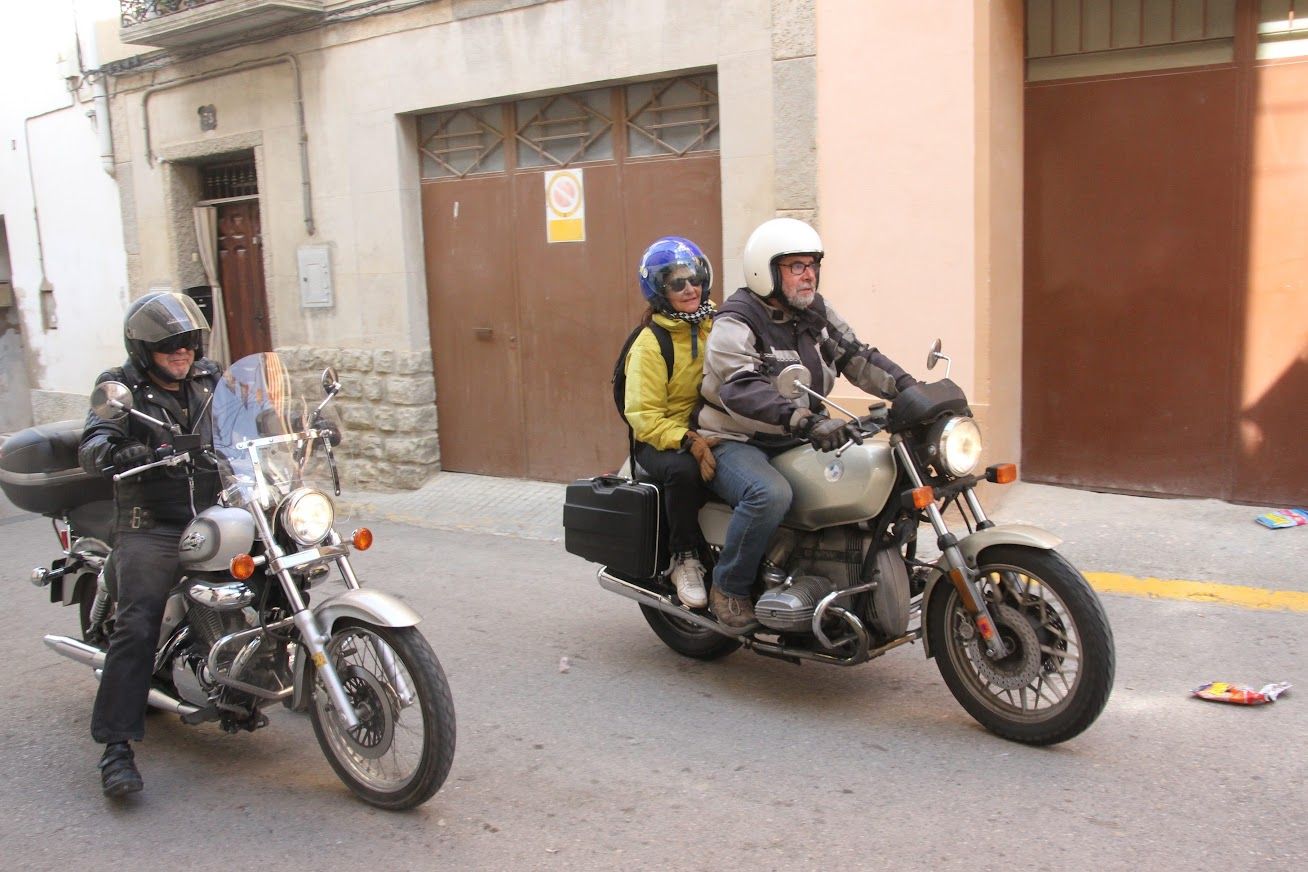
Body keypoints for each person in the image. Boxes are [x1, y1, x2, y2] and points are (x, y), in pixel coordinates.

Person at [696, 218, 917, 629]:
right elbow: (740, 387)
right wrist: (803, 419)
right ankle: (729, 586)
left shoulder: (815, 312)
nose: (808, 274)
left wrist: (910, 391)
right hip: (735, 438)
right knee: (768, 494)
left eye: (813, 264)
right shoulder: (737, 319)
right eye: (796, 265)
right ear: (767, 271)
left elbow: (857, 356)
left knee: (879, 475)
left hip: (797, 432)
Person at [78, 291, 223, 798]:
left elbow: (254, 415)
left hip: (214, 510)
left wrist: (297, 429)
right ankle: (116, 748)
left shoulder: (210, 376)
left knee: (286, 559)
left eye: (190, 341)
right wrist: (123, 449)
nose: (183, 352)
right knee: (137, 623)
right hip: (152, 523)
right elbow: (94, 442)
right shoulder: (120, 388)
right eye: (170, 344)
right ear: (143, 350)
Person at [623, 237, 718, 608]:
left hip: (711, 427)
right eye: (677, 283)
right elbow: (644, 417)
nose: (689, 288)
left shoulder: (717, 323)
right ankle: (684, 557)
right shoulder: (651, 343)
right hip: (661, 439)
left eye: (693, 279)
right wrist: (687, 439)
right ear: (659, 291)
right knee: (683, 472)